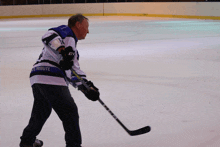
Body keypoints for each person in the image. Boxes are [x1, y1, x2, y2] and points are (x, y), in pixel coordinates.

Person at [20, 14, 100, 147]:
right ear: (78, 24)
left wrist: (87, 88)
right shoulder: (66, 31)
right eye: (87, 27)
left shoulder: (72, 49)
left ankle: (27, 141)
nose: (88, 31)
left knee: (42, 111)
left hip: (38, 76)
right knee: (70, 112)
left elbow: (73, 73)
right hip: (51, 77)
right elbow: (48, 36)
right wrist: (63, 51)